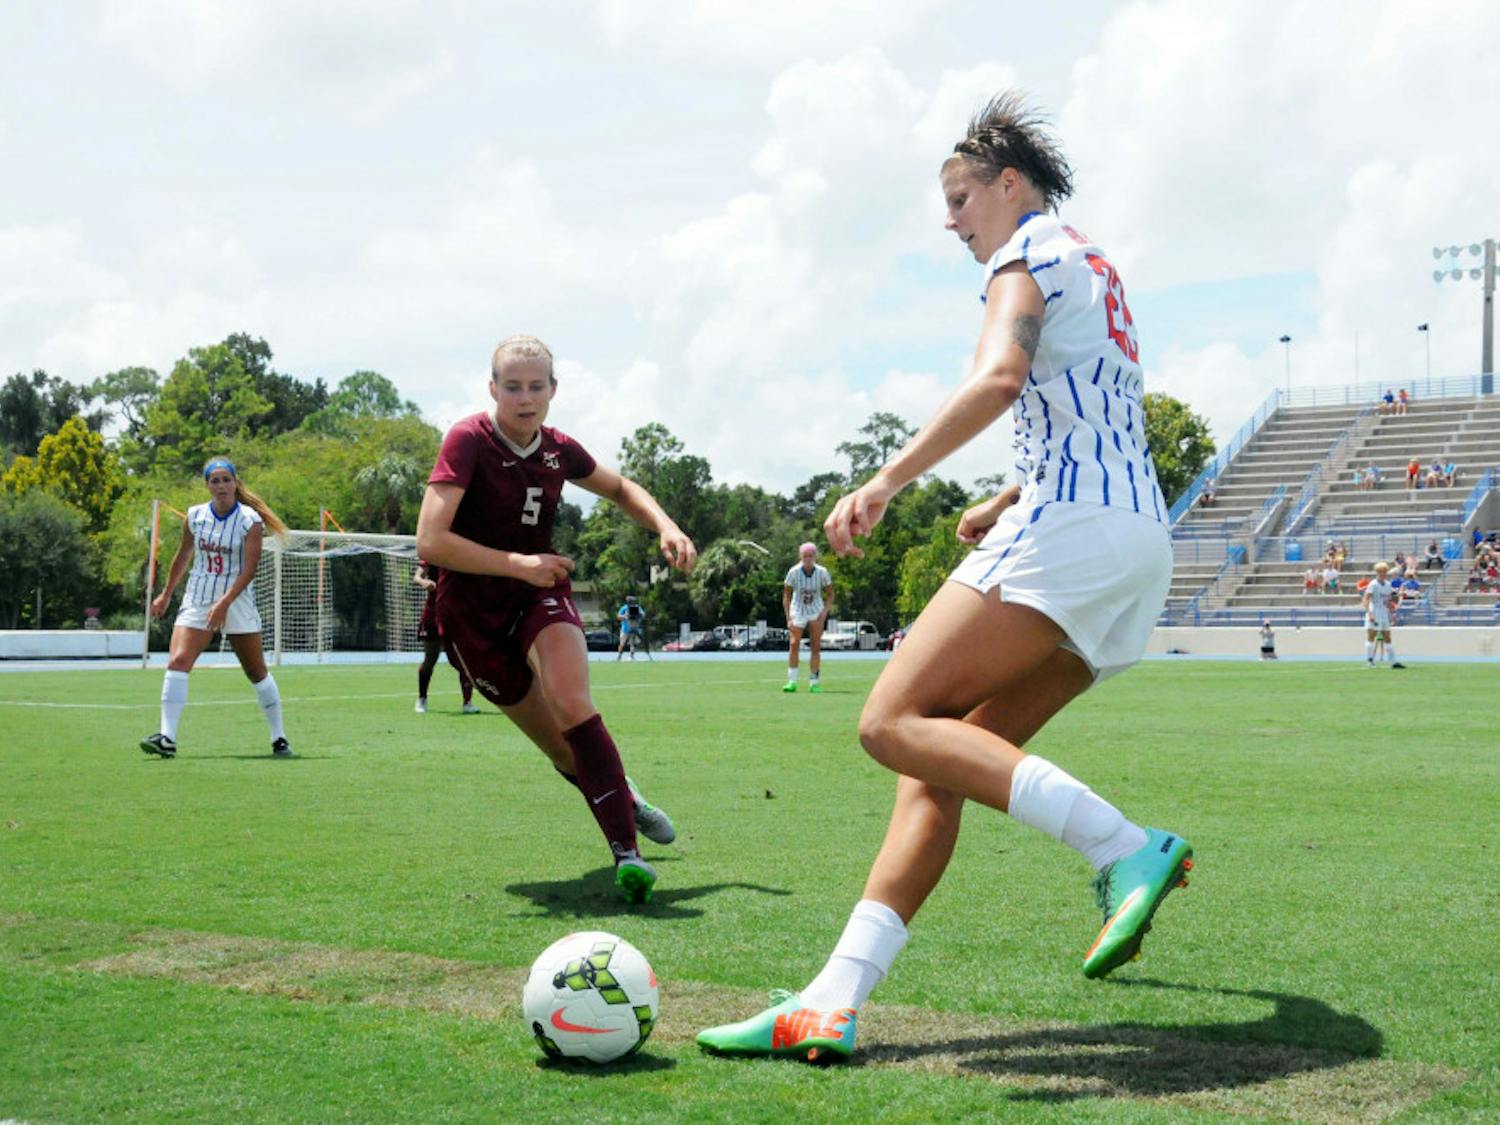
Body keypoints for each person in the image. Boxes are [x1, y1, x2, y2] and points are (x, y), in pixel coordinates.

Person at [699, 92, 1192, 1063]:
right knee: (937, 765)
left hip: (1074, 533)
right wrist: (1007, 497)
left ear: (1010, 187)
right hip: (1136, 546)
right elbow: (1092, 410)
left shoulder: (1028, 254)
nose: (954, 220)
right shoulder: (1095, 263)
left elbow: (1001, 377)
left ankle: (1123, 845)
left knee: (887, 722)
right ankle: (831, 1001)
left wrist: (885, 481)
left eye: (962, 197)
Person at [416, 334, 694, 903]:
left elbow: (619, 487)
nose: (525, 397)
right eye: (512, 386)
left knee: (573, 702)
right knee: (562, 750)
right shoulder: (467, 440)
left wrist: (665, 525)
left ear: (553, 391)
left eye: (536, 386)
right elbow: (431, 541)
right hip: (472, 616)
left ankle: (627, 856)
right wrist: (518, 563)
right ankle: (628, 797)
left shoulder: (559, 449)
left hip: (539, 593)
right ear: (492, 390)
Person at [139, 459, 293, 759]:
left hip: (237, 601)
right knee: (178, 661)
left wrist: (224, 604)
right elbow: (183, 556)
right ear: (206, 485)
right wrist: (166, 594)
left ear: (235, 483)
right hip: (197, 597)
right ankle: (167, 738)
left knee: (256, 671)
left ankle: (279, 737)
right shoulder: (195, 516)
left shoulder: (250, 521)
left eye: (226, 480)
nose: (221, 486)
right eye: (215, 481)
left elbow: (249, 569)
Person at [413, 561, 478, 714]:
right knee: (430, 658)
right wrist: (423, 581)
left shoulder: (462, 556)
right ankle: (422, 699)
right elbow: (417, 576)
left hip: (456, 613)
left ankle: (467, 703)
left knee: (464, 659)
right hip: (433, 613)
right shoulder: (433, 554)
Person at [782, 542, 834, 693]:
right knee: (794, 643)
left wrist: (824, 612)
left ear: (815, 556)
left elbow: (830, 594)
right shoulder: (794, 572)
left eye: (810, 556)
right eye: (805, 556)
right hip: (798, 609)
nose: (808, 559)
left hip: (815, 609)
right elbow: (786, 594)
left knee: (815, 645)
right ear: (800, 557)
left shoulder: (822, 572)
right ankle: (792, 681)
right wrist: (789, 618)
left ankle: (814, 682)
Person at [1363, 562, 1404, 668]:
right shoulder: (1373, 584)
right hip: (1374, 611)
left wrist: (1392, 613)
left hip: (1384, 613)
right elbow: (1366, 599)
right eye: (1380, 572)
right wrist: (1370, 613)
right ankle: (1370, 661)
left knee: (1387, 637)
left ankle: (1393, 662)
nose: (1382, 573)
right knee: (1371, 636)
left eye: (1384, 571)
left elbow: (1387, 601)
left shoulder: (1388, 584)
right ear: (1376, 572)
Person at [616, 595, 650, 661]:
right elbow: (618, 616)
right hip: (625, 629)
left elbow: (643, 614)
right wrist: (625, 616)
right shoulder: (624, 608)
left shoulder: (638, 607)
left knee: (632, 643)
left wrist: (639, 615)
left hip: (634, 627)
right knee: (622, 643)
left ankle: (632, 656)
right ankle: (619, 656)